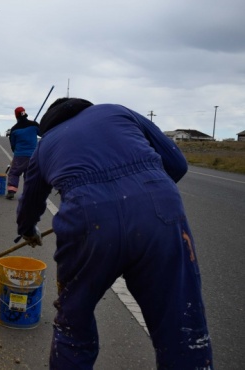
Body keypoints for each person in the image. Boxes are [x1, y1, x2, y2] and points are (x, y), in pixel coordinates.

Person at [16, 98, 213, 369]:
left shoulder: (45, 145)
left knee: (74, 322)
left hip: (87, 220)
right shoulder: (116, 111)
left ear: (48, 126)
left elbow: (31, 201)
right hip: (158, 211)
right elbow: (177, 164)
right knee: (181, 323)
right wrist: (142, 191)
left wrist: (28, 230)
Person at [6, 106, 40, 200]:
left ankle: (11, 192)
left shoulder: (14, 129)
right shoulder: (34, 125)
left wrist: (15, 152)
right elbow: (42, 133)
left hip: (20, 155)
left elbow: (13, 144)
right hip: (34, 155)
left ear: (16, 116)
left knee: (14, 173)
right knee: (29, 174)